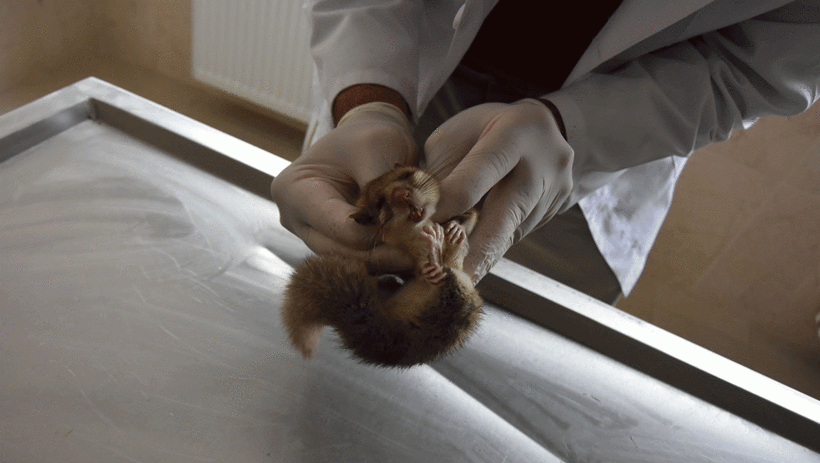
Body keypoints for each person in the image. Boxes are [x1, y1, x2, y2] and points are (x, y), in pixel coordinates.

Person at [271, 0, 820, 304]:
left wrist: (574, 129)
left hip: (611, 133)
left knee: (496, 341)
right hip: (418, 64)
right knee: (347, 293)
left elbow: (752, 67)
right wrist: (368, 103)